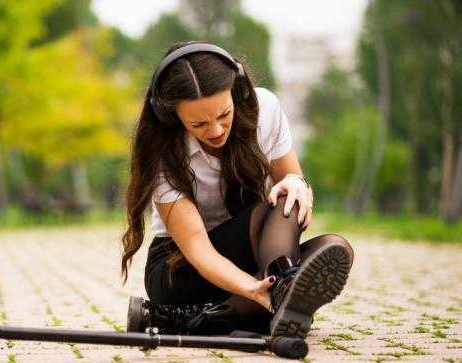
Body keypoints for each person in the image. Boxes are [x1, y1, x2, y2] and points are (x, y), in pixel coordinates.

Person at [120, 41, 355, 338]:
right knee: (261, 216)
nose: (216, 130)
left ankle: (229, 311)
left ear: (237, 92)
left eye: (224, 114)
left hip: (254, 257)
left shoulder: (264, 109)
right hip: (181, 268)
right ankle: (273, 295)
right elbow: (198, 248)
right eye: (199, 123)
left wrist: (298, 183)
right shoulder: (164, 152)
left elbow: (292, 178)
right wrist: (251, 288)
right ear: (172, 117)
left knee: (324, 235)